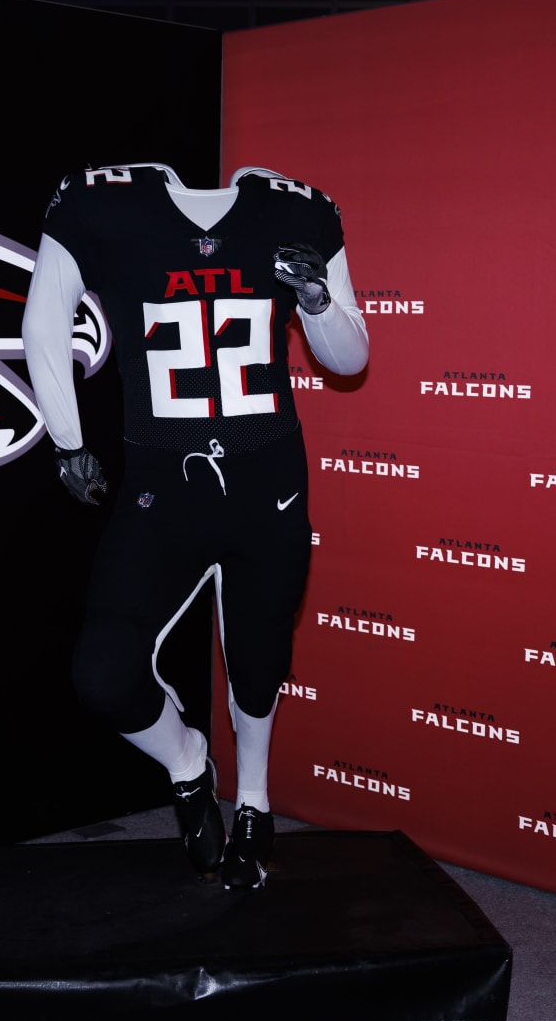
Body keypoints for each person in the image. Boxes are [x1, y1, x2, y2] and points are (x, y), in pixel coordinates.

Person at [21, 162, 368, 888]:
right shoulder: (101, 205)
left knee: (260, 658)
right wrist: (67, 438)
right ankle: (187, 761)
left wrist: (315, 298)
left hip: (268, 479)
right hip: (162, 482)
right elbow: (45, 318)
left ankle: (255, 799)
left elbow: (349, 356)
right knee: (103, 674)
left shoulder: (297, 211)